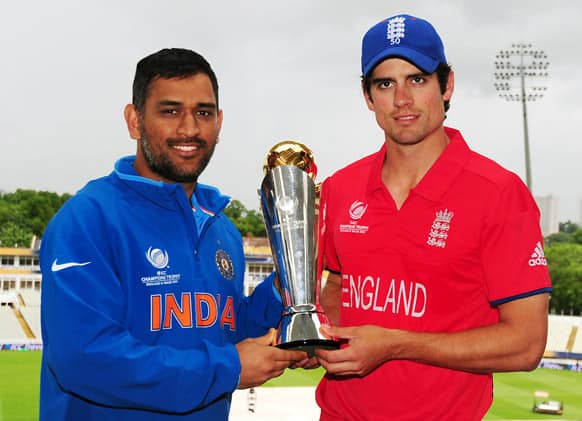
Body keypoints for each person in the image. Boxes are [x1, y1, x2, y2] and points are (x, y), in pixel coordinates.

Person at [39, 48, 308, 420]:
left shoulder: (221, 229)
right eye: (170, 111)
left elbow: (224, 331)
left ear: (220, 121)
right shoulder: (88, 219)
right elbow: (83, 358)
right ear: (134, 121)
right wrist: (228, 367)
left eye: (203, 112)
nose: (189, 129)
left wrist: (288, 288)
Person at [314, 14, 552, 420]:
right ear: (368, 96)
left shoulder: (498, 193)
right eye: (385, 83)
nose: (402, 99)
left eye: (417, 79)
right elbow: (336, 283)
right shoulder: (340, 188)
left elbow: (526, 344)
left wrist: (394, 344)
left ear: (447, 85)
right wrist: (319, 334)